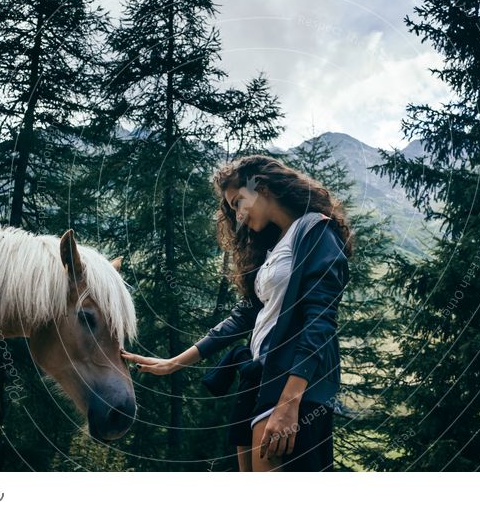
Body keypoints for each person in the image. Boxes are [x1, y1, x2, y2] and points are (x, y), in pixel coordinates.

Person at [121, 155, 352, 471]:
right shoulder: (275, 246)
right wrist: (173, 364)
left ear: (264, 188)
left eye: (239, 201)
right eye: (231, 208)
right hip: (259, 380)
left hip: (291, 387)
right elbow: (245, 316)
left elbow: (320, 321)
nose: (238, 213)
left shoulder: (316, 231)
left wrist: (289, 403)